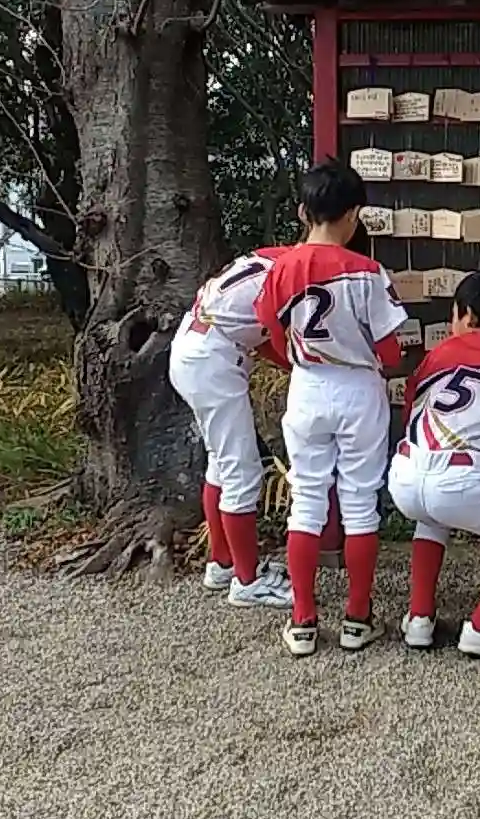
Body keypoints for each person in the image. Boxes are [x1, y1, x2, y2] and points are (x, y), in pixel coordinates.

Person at [254, 158, 408, 657]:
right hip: (359, 388)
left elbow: (269, 333)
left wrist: (297, 360)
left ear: (303, 212)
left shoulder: (282, 267)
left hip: (308, 385)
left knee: (307, 499)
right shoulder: (368, 272)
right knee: (361, 502)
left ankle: (302, 619)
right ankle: (358, 618)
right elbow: (390, 351)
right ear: (354, 214)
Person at [388, 272, 480, 659]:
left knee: (431, 516)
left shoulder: (436, 356)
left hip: (404, 473)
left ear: (468, 314)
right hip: (459, 476)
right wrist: (475, 493)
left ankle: (419, 618)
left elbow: (410, 414)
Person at [169, 246, 295, 609]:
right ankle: (247, 581)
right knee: (242, 470)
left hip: (195, 346)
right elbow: (273, 334)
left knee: (221, 463)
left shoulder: (272, 256)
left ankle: (222, 563)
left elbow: (260, 332)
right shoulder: (293, 273)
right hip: (213, 360)